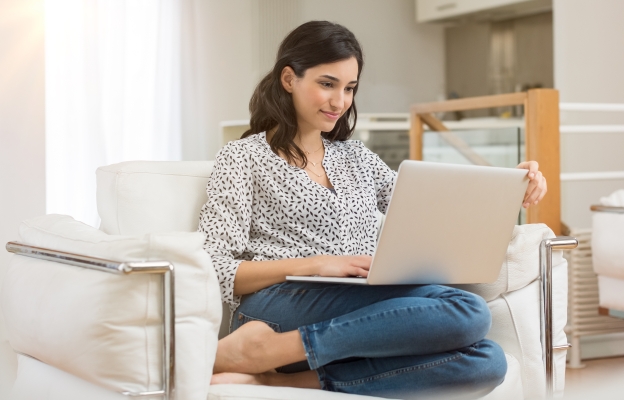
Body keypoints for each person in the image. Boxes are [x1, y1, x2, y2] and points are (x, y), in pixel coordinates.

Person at [198, 20, 547, 399]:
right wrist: (312, 265)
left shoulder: (356, 157)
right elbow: (215, 267)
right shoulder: (242, 156)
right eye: (327, 84)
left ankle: (277, 376)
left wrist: (512, 185)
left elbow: (434, 204)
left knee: (487, 361)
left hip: (361, 304)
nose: (340, 102)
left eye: (350, 88)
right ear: (288, 79)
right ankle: (267, 346)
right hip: (278, 306)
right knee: (469, 311)